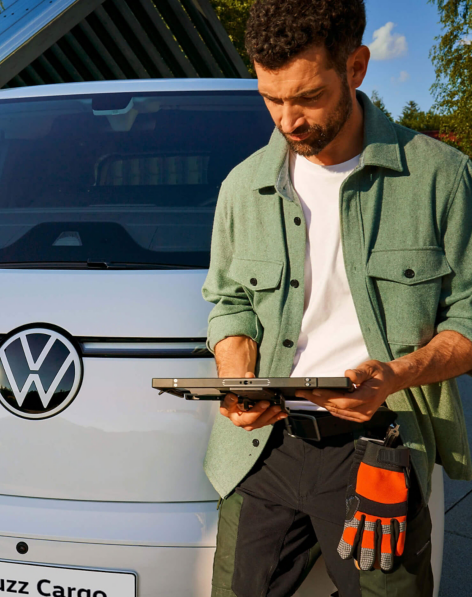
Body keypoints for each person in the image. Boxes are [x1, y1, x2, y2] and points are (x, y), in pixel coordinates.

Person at [201, 1, 472, 595]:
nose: (287, 121)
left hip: (379, 447)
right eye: (271, 98)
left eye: (307, 97)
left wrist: (396, 375)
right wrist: (237, 377)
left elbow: (468, 319)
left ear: (356, 67)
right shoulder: (241, 187)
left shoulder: (439, 176)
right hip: (262, 451)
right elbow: (229, 304)